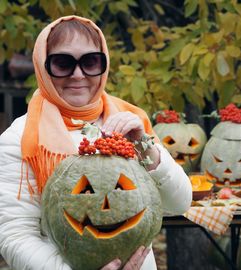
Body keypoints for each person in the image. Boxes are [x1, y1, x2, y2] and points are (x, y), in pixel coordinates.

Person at [0, 15, 192, 270]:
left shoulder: (130, 123)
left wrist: (145, 147)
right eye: (62, 63)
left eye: (90, 61)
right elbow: (15, 235)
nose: (78, 75)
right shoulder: (20, 138)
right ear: (43, 66)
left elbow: (179, 203)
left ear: (103, 64)